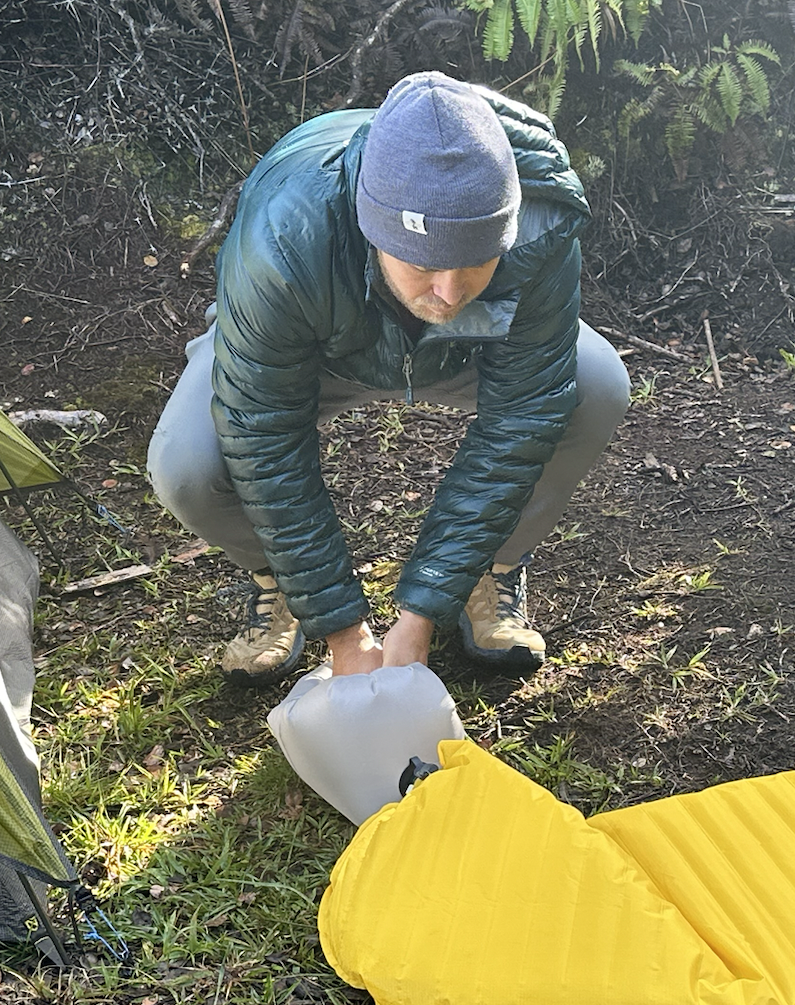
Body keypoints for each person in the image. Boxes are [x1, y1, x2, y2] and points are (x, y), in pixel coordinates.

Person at [148, 71, 629, 686]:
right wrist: (342, 630)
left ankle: (495, 568)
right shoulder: (285, 240)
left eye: (477, 261)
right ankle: (279, 579)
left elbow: (525, 415)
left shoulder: (540, 221)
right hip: (313, 342)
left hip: (461, 355)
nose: (450, 292)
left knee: (595, 388)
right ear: (376, 233)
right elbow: (262, 432)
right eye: (424, 264)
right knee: (186, 465)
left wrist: (421, 610)